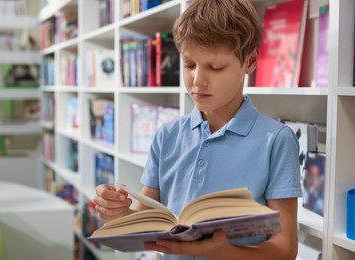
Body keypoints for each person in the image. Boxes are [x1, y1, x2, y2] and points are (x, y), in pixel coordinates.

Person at [93, 0, 302, 259]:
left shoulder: (277, 140)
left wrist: (228, 252)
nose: (198, 80)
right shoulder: (166, 136)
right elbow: (147, 219)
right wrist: (119, 211)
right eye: (189, 65)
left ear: (250, 62)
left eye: (215, 67)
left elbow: (286, 247)